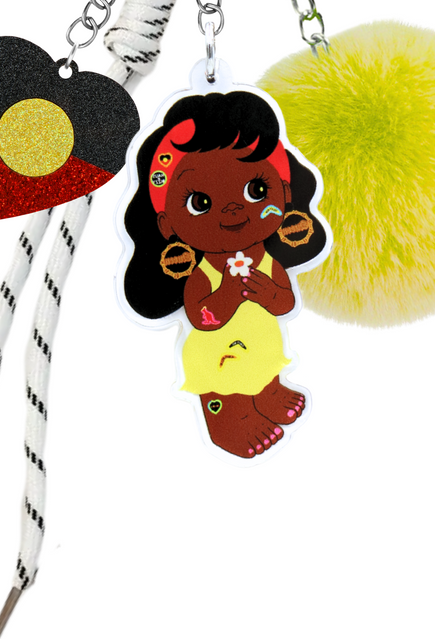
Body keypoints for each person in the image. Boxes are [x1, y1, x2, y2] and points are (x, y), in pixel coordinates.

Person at [122, 89, 327, 458]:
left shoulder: (269, 260)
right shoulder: (203, 273)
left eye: (256, 190)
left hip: (261, 342)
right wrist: (228, 293)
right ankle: (229, 420)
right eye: (200, 203)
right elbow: (201, 317)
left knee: (265, 365)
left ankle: (268, 391)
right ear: (167, 224)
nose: (233, 210)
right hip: (218, 356)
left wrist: (271, 294)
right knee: (228, 385)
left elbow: (286, 302)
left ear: (284, 192)